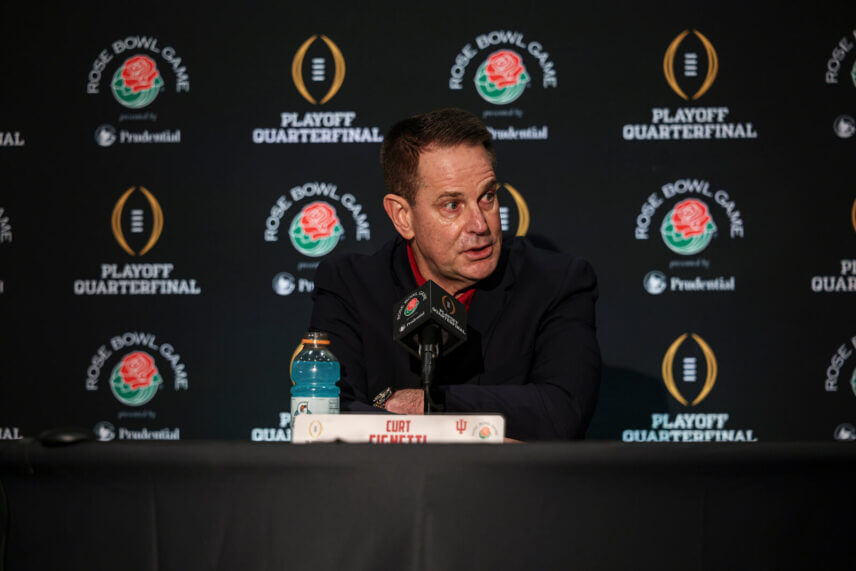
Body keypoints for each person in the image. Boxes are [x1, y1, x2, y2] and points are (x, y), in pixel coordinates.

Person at [309, 108, 600, 440]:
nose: (480, 224)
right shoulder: (349, 285)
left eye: (487, 197)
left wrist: (430, 405)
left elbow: (563, 410)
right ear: (403, 216)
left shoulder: (556, 281)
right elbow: (325, 414)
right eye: (452, 205)